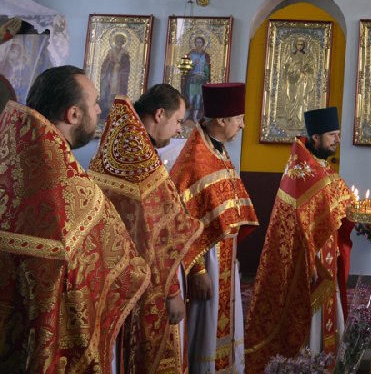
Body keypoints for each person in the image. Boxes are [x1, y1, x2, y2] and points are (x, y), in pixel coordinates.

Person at [0, 66, 150, 371]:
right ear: (73, 115)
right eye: (94, 103)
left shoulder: (13, 156)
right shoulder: (62, 184)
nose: (99, 110)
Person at [89, 88, 203, 374]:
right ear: (160, 114)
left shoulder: (120, 141)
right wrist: (172, 292)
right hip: (147, 280)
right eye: (178, 121)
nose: (179, 129)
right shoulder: (140, 158)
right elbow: (157, 230)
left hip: (116, 276)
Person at [245, 107, 355, 372]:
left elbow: (341, 207)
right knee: (309, 320)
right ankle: (308, 364)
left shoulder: (323, 169)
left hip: (328, 258)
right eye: (332, 135)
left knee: (329, 313)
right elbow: (297, 222)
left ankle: (327, 363)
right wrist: (311, 256)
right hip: (308, 262)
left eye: (338, 134)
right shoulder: (301, 171)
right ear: (316, 137)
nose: (337, 140)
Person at [170, 82, 258, 374]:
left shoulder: (217, 151)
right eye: (239, 119)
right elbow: (180, 220)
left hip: (224, 258)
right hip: (206, 264)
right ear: (222, 120)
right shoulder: (196, 158)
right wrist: (198, 271)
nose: (242, 125)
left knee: (224, 330)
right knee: (205, 333)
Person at [182, 36, 212, 124]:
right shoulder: (190, 54)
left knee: (198, 98)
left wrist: (207, 78)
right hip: (192, 78)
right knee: (190, 98)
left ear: (203, 44)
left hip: (201, 79)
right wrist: (193, 64)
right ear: (195, 43)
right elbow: (185, 68)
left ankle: (195, 117)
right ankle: (188, 115)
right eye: (197, 42)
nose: (198, 44)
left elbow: (207, 69)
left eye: (200, 42)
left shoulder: (206, 56)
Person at [99, 32, 131, 114]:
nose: (119, 41)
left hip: (120, 76)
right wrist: (111, 63)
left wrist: (120, 65)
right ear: (115, 41)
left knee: (118, 92)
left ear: (123, 42)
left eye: (120, 40)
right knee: (110, 91)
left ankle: (117, 109)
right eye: (117, 40)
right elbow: (105, 64)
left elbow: (127, 66)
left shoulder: (125, 53)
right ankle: (108, 108)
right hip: (111, 75)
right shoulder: (110, 52)